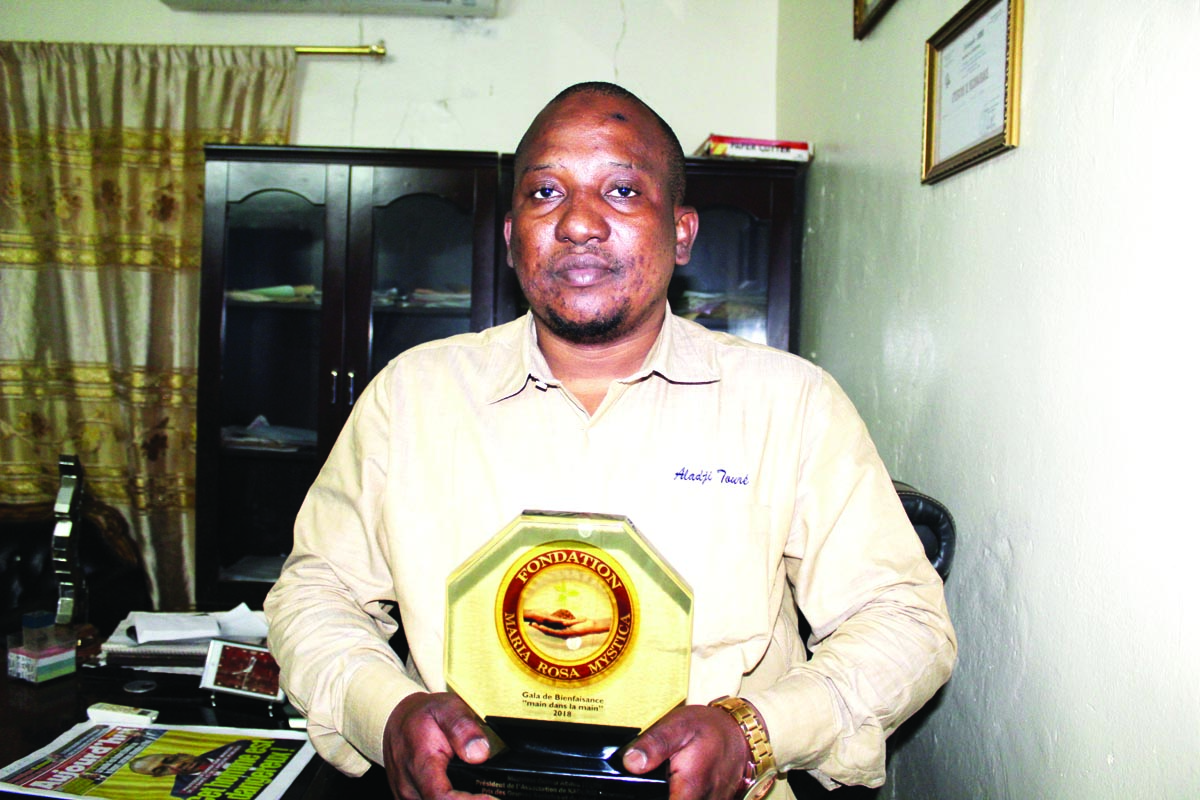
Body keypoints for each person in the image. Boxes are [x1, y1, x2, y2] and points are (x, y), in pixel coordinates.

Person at [265, 82, 956, 800]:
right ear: (510, 237)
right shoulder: (411, 397)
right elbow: (316, 592)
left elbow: (904, 621)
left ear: (682, 232)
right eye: (544, 193)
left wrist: (754, 733)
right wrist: (388, 712)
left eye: (622, 190)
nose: (579, 223)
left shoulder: (790, 403)